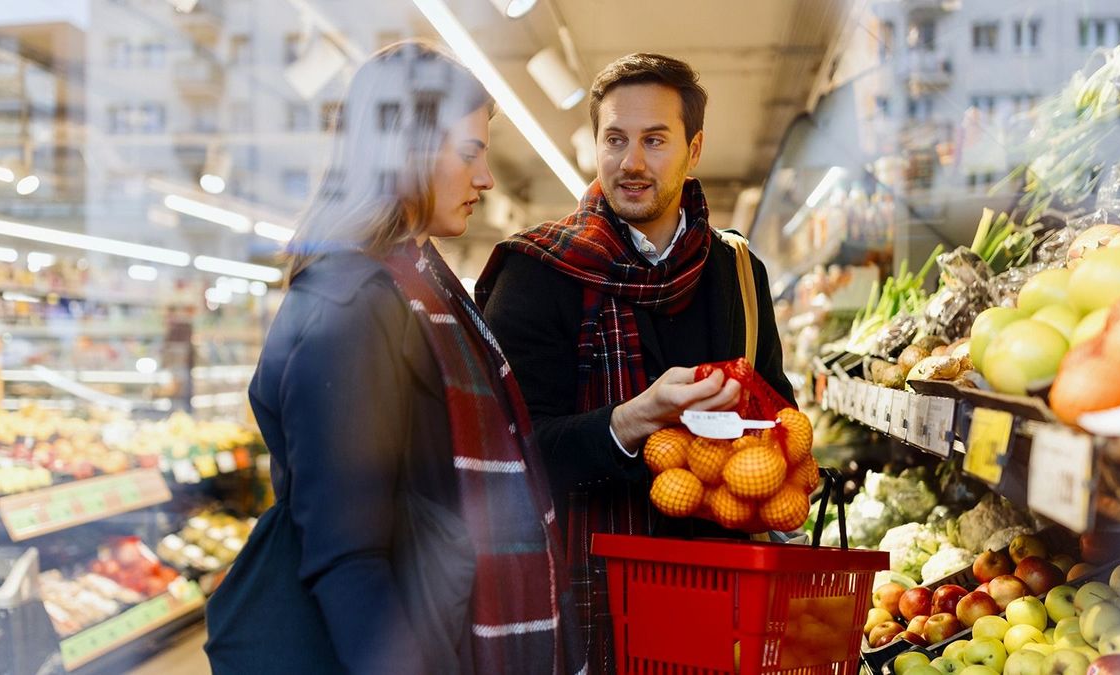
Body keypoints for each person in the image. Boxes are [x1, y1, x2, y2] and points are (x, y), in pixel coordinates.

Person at [206, 41, 584, 675]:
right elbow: (346, 556)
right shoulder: (357, 304)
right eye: (468, 154)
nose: (485, 179)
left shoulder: (418, 285)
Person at [475, 52, 797, 672]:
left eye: (655, 140)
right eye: (615, 139)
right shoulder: (539, 272)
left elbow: (775, 412)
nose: (632, 162)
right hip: (587, 603)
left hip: (717, 605)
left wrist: (779, 470)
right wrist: (627, 424)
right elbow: (510, 456)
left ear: (693, 150)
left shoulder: (738, 274)